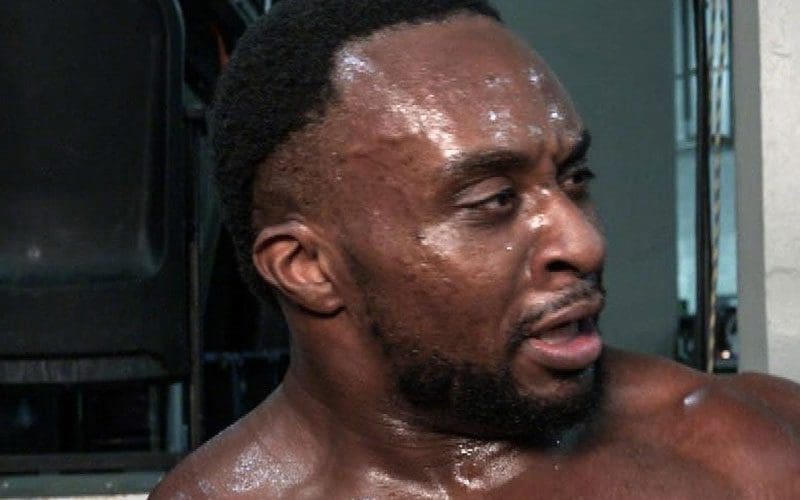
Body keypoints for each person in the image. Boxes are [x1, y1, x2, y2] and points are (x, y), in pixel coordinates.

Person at [151, 0, 800, 497]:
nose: (584, 242)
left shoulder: (745, 452)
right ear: (308, 268)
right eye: (494, 200)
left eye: (574, 179)